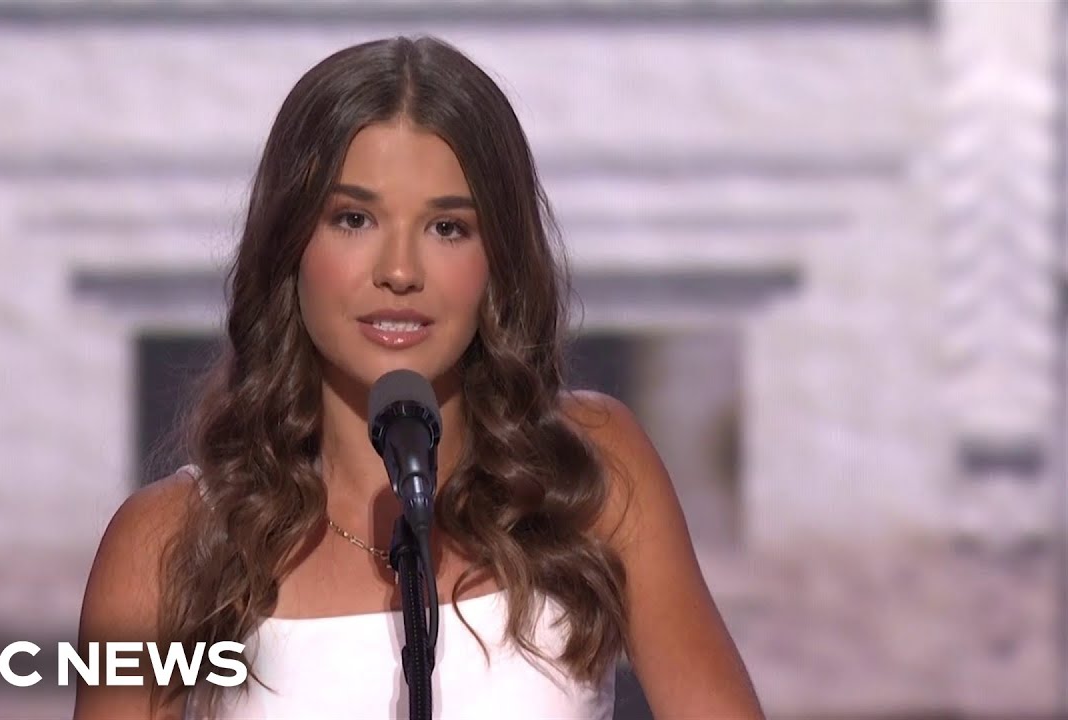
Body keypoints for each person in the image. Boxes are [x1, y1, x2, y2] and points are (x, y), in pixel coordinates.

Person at [72, 35, 765, 720]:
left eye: (447, 228)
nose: (400, 271)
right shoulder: (169, 544)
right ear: (290, 244)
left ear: (498, 257)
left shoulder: (587, 470)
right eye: (354, 219)